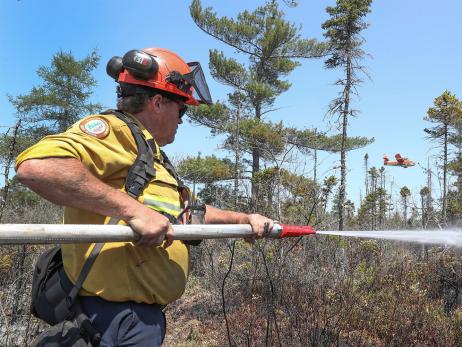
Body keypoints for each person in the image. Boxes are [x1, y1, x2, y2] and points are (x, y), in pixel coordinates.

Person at [15, 48, 274, 346]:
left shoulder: (150, 156)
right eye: (182, 109)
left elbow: (187, 213)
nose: (182, 120)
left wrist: (244, 219)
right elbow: (38, 167)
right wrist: (133, 211)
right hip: (108, 320)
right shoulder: (116, 130)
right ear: (158, 101)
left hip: (137, 321)